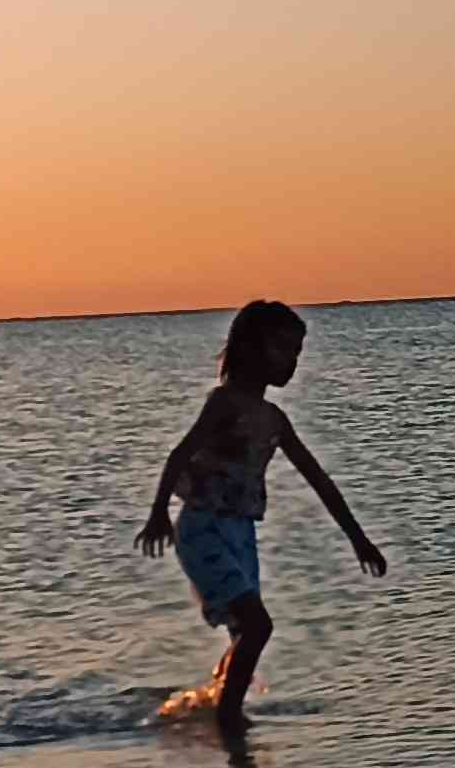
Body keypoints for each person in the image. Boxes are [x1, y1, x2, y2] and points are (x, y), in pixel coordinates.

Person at [136, 299, 386, 727]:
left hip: (240, 536)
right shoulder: (224, 404)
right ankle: (228, 720)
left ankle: (218, 709)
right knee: (258, 626)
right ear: (251, 349)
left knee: (245, 634)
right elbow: (181, 454)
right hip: (203, 529)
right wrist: (158, 512)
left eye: (296, 353)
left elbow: (319, 481)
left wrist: (358, 539)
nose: (291, 362)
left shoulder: (274, 420)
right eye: (283, 350)